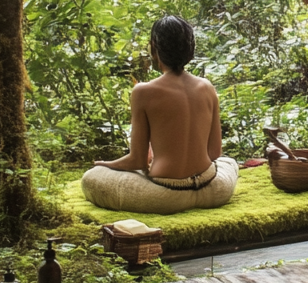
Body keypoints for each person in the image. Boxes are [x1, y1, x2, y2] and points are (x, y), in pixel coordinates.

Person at [81, 16, 238, 215]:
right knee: (229, 163)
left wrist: (106, 164)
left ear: (154, 47)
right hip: (213, 189)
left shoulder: (143, 92)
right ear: (190, 47)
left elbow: (137, 161)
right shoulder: (207, 87)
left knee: (92, 176)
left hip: (166, 195)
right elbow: (215, 154)